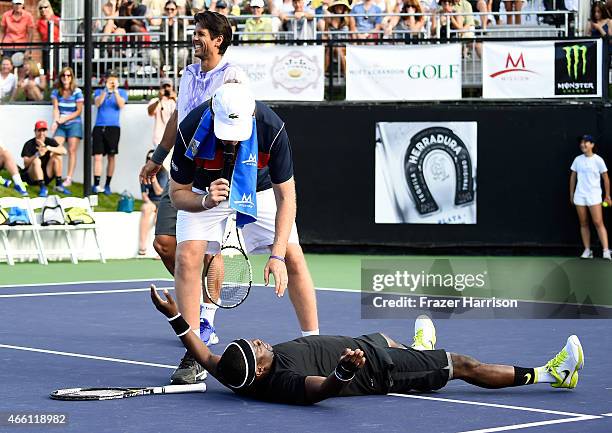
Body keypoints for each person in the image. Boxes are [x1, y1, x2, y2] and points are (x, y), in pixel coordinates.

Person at [152, 287, 586, 405]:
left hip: (366, 345)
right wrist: (343, 372)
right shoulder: (282, 382)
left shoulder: (236, 372)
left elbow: (206, 356)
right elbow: (320, 390)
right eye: (258, 348)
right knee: (463, 365)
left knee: (389, 339)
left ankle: (415, 346)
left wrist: (174, 315)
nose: (259, 341)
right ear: (263, 370)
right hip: (379, 369)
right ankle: (554, 373)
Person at [168, 82, 320, 384]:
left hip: (258, 190)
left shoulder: (271, 127)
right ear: (213, 116)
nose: (232, 143)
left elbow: (286, 198)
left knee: (293, 256)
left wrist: (276, 254)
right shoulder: (190, 129)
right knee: (187, 256)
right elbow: (176, 195)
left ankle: (316, 346)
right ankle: (195, 355)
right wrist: (204, 200)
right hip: (206, 190)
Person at [569, 135, 611, 260]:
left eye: (586, 142)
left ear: (592, 145)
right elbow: (573, 177)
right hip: (580, 196)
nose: (583, 145)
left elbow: (606, 178)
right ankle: (587, 250)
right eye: (581, 143)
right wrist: (571, 194)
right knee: (583, 223)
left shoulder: (598, 160)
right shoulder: (577, 160)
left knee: (598, 222)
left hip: (594, 196)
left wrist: (607, 196)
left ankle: (605, 251)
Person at [92, 70, 128, 195]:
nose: (111, 82)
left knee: (111, 157)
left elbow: (121, 105)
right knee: (97, 156)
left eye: (113, 79)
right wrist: (105, 91)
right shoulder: (98, 92)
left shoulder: (122, 92)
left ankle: (107, 184)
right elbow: (97, 103)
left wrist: (115, 91)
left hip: (113, 128)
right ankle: (96, 184)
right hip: (99, 126)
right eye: (109, 79)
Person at [50, 66, 83, 188]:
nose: (66, 78)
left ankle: (69, 178)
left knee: (71, 150)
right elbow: (56, 108)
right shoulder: (56, 92)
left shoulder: (77, 92)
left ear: (72, 77)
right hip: (61, 124)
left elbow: (79, 111)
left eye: (68, 75)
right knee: (55, 147)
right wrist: (56, 121)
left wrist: (66, 118)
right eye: (64, 75)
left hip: (74, 123)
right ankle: (57, 176)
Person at [20, 120, 70, 197]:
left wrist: (47, 148)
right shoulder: (29, 144)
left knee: (58, 156)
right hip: (32, 177)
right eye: (39, 130)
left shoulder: (49, 141)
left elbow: (64, 151)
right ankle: (42, 188)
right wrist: (37, 154)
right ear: (35, 131)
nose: (41, 133)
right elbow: (26, 164)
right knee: (36, 160)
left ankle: (58, 185)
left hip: (46, 174)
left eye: (44, 130)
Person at [139, 150, 169, 255]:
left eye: (152, 159)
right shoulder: (144, 172)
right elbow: (143, 194)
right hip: (151, 201)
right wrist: (149, 202)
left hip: (163, 200)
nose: (149, 161)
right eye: (148, 159)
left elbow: (160, 191)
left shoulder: (164, 173)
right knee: (146, 209)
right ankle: (142, 247)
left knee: (159, 217)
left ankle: (161, 250)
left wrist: (153, 177)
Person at [321, 0, 354, 73]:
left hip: (345, 45)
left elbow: (353, 35)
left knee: (336, 49)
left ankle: (323, 74)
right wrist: (324, 44)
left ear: (344, 7)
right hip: (332, 44)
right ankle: (346, 75)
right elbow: (325, 34)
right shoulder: (329, 19)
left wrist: (354, 46)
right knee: (331, 48)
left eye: (341, 5)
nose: (339, 7)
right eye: (337, 5)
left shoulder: (349, 18)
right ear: (334, 7)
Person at [148, 77, 177, 148]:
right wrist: (159, 99)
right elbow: (150, 112)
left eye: (168, 86)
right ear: (160, 88)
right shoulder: (155, 101)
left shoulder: (176, 100)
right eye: (164, 86)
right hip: (159, 138)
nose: (166, 88)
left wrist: (175, 99)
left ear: (172, 87)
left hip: (174, 137)